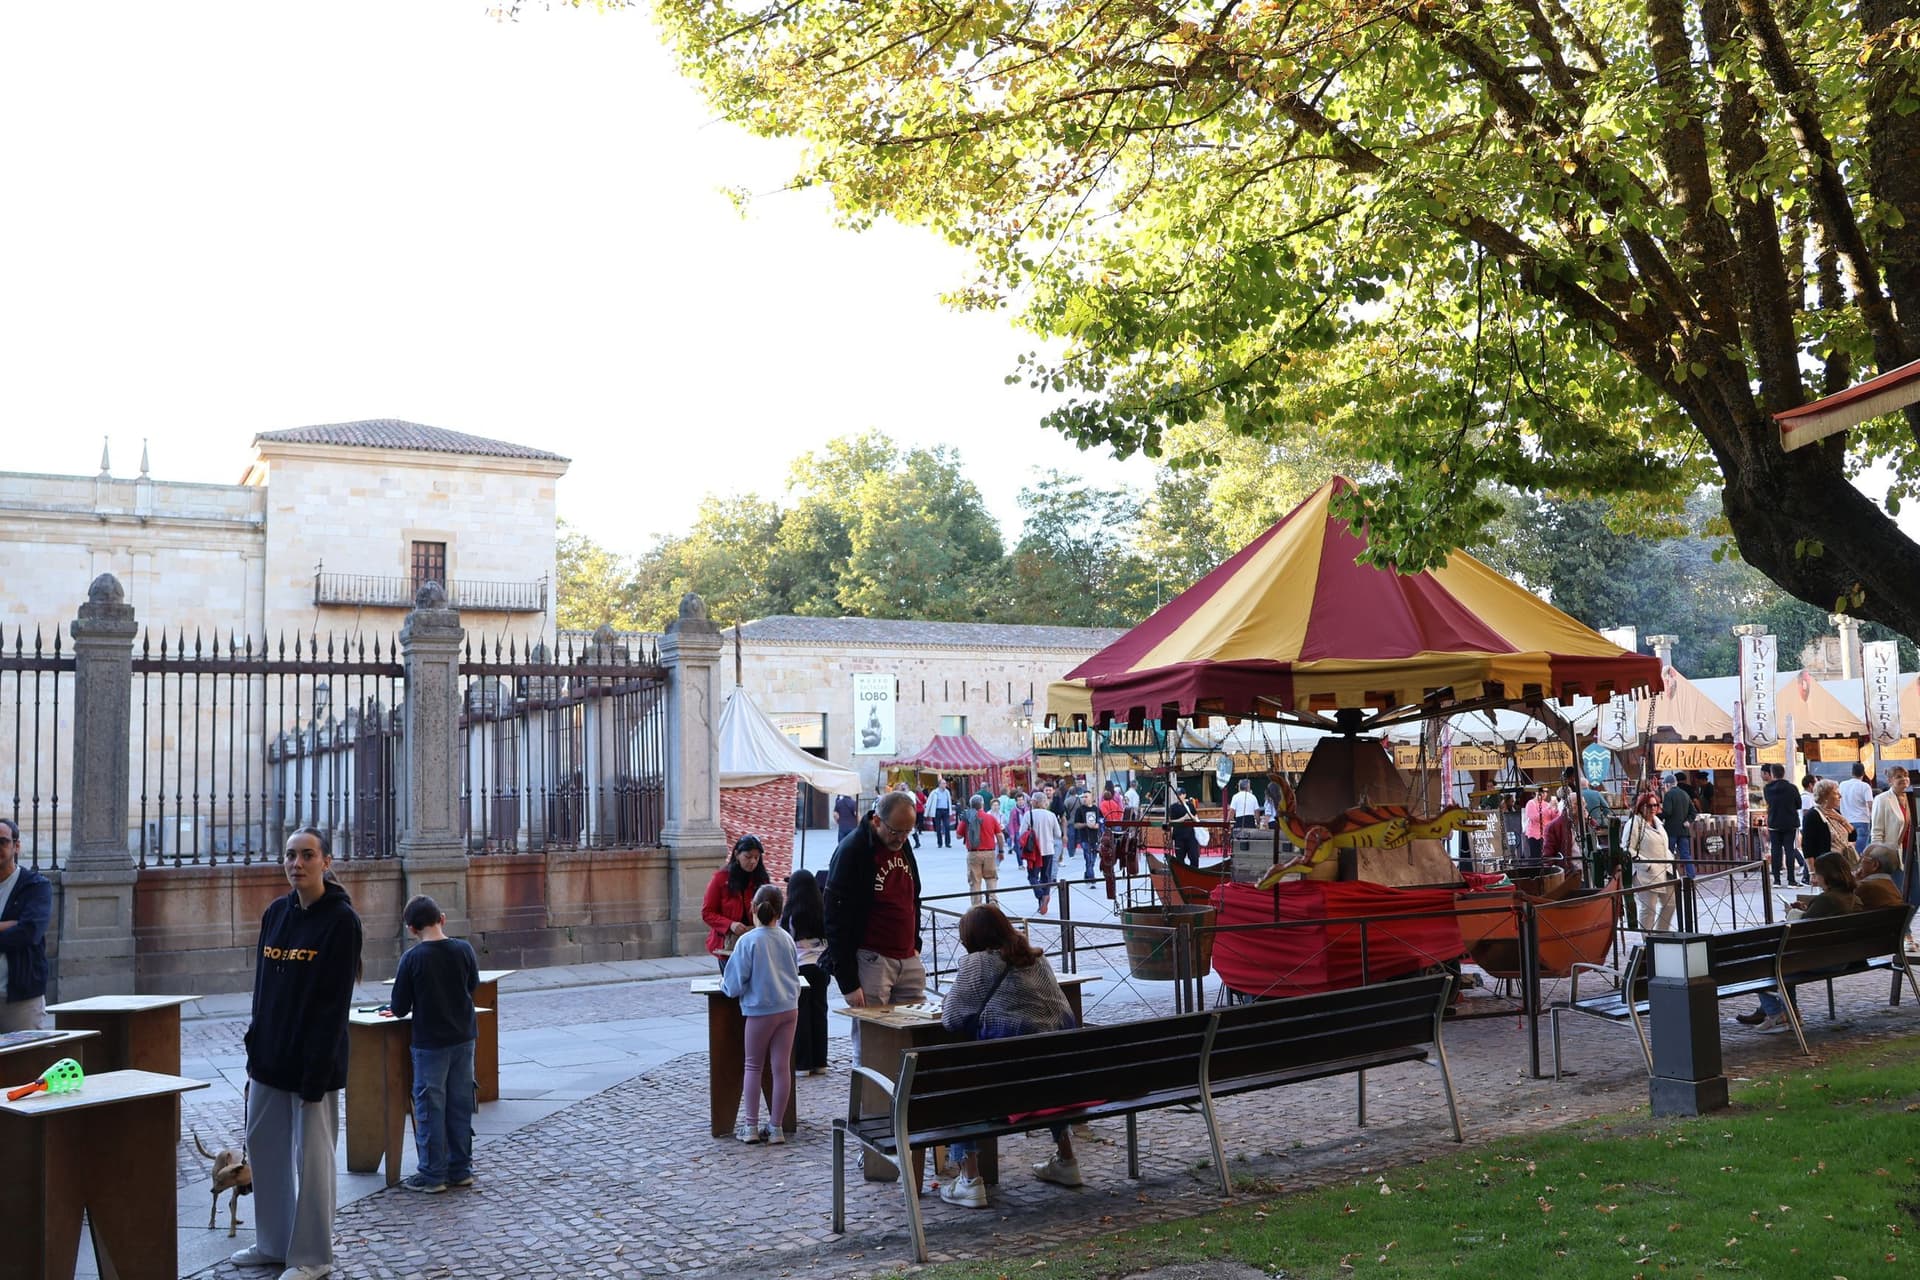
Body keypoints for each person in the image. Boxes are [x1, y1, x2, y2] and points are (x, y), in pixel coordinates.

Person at [230, 827, 363, 1280]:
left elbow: (333, 1006)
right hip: (269, 1061)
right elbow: (262, 992)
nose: (297, 863)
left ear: (326, 861)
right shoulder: (275, 914)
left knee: (314, 1164)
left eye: (307, 855)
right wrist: (254, 1056)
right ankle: (273, 1242)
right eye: (290, 855)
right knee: (266, 1154)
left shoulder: (341, 922)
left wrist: (316, 1074)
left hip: (313, 1068)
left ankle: (312, 1256)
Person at [937, 906, 1081, 1209]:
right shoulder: (1038, 959)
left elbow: (950, 1019)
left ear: (972, 939)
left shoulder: (977, 964)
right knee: (1046, 1055)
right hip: (1065, 1082)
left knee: (953, 1087)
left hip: (1008, 1091)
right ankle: (1066, 1159)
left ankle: (970, 1179)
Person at [389, 895, 479, 1195]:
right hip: (464, 1037)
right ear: (442, 918)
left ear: (412, 929)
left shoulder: (413, 959)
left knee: (430, 1106)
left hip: (430, 1043)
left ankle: (432, 1174)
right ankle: (460, 1169)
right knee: (460, 1103)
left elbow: (400, 1007)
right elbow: (472, 985)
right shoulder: (464, 949)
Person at [1734, 851, 1861, 1032]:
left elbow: (1799, 930)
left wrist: (1791, 914)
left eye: (1817, 873)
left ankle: (1777, 1014)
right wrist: (1805, 910)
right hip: (1843, 957)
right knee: (1785, 962)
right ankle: (1790, 1013)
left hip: (1825, 960)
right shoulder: (1853, 897)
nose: (1816, 877)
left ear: (1828, 876)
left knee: (1762, 962)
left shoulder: (1827, 899)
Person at [823, 791, 925, 1008]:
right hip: (872, 961)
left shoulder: (900, 840)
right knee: (875, 1039)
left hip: (908, 958)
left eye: (908, 832)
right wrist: (848, 981)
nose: (902, 838)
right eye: (896, 831)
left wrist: (915, 944)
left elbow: (913, 895)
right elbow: (835, 917)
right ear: (877, 821)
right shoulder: (852, 850)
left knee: (915, 1036)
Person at [721, 884, 801, 1143]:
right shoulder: (786, 938)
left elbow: (733, 984)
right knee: (781, 1068)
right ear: (781, 910)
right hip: (788, 1007)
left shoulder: (748, 941)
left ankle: (750, 1126)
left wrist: (726, 985)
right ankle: (777, 1127)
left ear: (753, 909)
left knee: (753, 1066)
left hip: (760, 1010)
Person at [0, 818, 53, 1032]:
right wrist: (9, 924)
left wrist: (19, 927)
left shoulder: (35, 886)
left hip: (20, 998)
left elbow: (29, 932)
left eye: (2, 841)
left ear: (16, 846)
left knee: (25, 1064)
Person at [782, 869, 830, 1075]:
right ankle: (820, 1061)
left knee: (802, 1016)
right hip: (821, 967)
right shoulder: (822, 911)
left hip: (801, 967)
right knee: (820, 1014)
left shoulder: (792, 915)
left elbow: (787, 942)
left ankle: (803, 1063)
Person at [703, 836, 771, 971]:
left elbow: (771, 908)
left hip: (756, 942)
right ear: (736, 855)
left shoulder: (762, 879)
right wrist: (730, 925)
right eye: (748, 857)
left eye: (757, 858)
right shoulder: (720, 878)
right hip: (728, 945)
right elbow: (707, 913)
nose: (752, 861)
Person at [1622, 790, 1676, 933]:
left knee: (1670, 904)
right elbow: (1627, 848)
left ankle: (1661, 935)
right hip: (1645, 874)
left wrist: (1671, 861)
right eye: (1649, 805)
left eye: (1655, 805)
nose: (1653, 808)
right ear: (1641, 807)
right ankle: (1648, 940)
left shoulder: (1658, 823)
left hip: (1665, 871)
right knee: (1648, 908)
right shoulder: (1634, 824)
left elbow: (1664, 846)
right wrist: (1646, 865)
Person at [1763, 764, 1807, 886]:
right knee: (1790, 850)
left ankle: (1776, 879)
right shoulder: (1792, 788)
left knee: (1775, 850)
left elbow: (1768, 802)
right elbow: (1798, 804)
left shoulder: (1767, 789)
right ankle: (1791, 880)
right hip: (1790, 823)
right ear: (1783, 773)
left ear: (1772, 774)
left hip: (1774, 822)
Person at [1801, 778, 1855, 870]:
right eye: (1836, 793)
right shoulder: (1812, 815)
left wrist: (1842, 820)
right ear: (1826, 796)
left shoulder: (1836, 812)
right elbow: (1807, 846)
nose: (1840, 796)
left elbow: (1853, 835)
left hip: (1842, 864)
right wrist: (1812, 872)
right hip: (1826, 867)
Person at [1024, 791, 1064, 914]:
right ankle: (1044, 896)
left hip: (1034, 851)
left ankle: (1041, 895)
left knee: (1032, 876)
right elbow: (1058, 834)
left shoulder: (1028, 815)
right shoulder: (1051, 815)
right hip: (1048, 849)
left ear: (1035, 802)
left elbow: (1022, 832)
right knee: (1046, 876)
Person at [958, 796, 1002, 906]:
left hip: (973, 853)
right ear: (982, 804)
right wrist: (1001, 850)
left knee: (975, 883)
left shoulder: (967, 818)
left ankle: (976, 908)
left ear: (971, 805)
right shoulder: (990, 818)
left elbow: (958, 835)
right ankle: (993, 906)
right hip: (990, 853)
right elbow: (1000, 835)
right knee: (991, 879)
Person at [1540, 795, 1584, 879]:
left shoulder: (1585, 823)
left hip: (1587, 872)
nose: (1580, 807)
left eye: (1583, 804)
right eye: (1576, 804)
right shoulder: (1554, 826)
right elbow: (1548, 856)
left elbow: (1596, 831)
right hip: (1570, 874)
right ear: (1567, 806)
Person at [1661, 773, 1695, 877]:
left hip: (1671, 830)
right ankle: (1691, 875)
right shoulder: (1685, 794)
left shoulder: (1668, 795)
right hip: (1683, 830)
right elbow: (1693, 812)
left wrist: (1657, 816)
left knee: (1669, 854)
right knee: (1685, 854)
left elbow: (1667, 812)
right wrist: (1688, 821)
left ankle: (1671, 876)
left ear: (1667, 785)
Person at [1855, 844, 1904, 910]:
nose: (1860, 862)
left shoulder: (1864, 887)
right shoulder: (1893, 888)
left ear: (1875, 865)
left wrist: (1855, 883)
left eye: (1862, 857)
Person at [1840, 762, 1875, 852]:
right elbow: (1870, 804)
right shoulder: (1865, 786)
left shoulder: (1842, 784)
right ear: (1863, 773)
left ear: (1852, 773)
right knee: (1860, 851)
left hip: (1845, 821)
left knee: (1847, 850)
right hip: (1862, 820)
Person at [1521, 788, 1558, 868]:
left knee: (1547, 857)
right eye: (1542, 791)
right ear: (1537, 792)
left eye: (1546, 792)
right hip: (1535, 835)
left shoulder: (1547, 804)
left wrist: (1556, 809)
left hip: (1546, 835)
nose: (1545, 794)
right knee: (1536, 858)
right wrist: (1548, 808)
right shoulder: (1531, 803)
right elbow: (1534, 817)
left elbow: (1554, 818)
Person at [1166, 786, 1201, 869]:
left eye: (1180, 794)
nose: (1179, 796)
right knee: (1180, 858)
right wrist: (1182, 819)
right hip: (1179, 835)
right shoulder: (1173, 807)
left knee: (1194, 857)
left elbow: (1196, 817)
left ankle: (1194, 873)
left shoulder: (1190, 805)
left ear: (1184, 795)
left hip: (1191, 835)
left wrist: (1192, 817)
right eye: (1177, 794)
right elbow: (1170, 821)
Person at [1069, 788, 1100, 880]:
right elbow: (1076, 824)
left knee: (1093, 857)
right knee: (1088, 856)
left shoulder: (1096, 809)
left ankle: (1087, 873)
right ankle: (1091, 877)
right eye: (1083, 797)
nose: (1084, 799)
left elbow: (1101, 821)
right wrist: (1085, 824)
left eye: (1086, 797)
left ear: (1091, 798)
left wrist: (1097, 825)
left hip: (1094, 837)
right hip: (1084, 837)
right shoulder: (1080, 810)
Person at [929, 776, 954, 849]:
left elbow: (949, 801)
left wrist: (950, 811)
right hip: (938, 810)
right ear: (939, 784)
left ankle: (948, 843)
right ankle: (939, 843)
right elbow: (930, 801)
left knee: (947, 826)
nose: (945, 785)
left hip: (945, 810)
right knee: (938, 828)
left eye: (945, 783)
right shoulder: (935, 792)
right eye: (943, 783)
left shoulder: (947, 792)